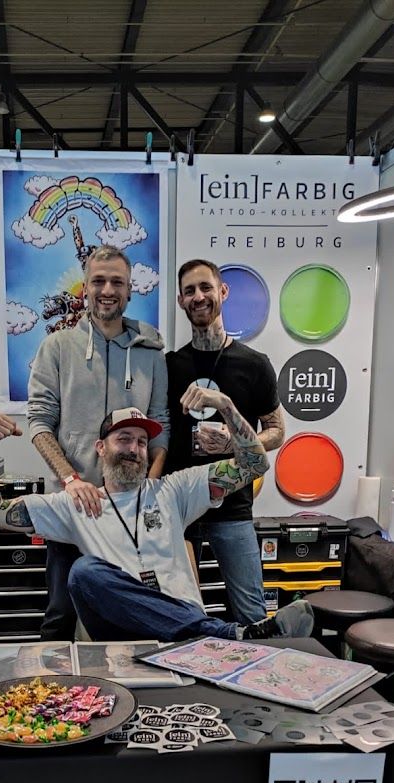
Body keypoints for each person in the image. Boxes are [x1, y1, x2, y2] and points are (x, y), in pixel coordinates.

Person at [0, 401, 312, 644]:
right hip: (122, 629)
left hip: (183, 622)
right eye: (124, 439)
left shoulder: (175, 489)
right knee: (84, 572)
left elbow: (255, 466)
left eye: (142, 441)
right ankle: (227, 635)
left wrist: (225, 405)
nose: (134, 448)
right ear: (101, 448)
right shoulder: (78, 503)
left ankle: (213, 634)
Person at [26, 244, 169, 640]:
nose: (108, 290)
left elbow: (161, 423)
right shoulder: (56, 347)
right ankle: (52, 698)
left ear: (130, 290)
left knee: (133, 616)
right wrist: (71, 480)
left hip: (131, 511)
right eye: (99, 281)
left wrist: (152, 487)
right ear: (85, 288)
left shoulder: (151, 353)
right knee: (59, 615)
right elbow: (39, 423)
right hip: (74, 507)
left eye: (117, 282)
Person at [167, 259, 286, 625]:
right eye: (190, 291)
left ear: (223, 291)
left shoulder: (254, 364)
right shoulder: (169, 365)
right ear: (180, 300)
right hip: (181, 508)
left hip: (232, 505)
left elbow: (277, 431)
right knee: (183, 614)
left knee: (252, 613)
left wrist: (234, 442)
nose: (199, 297)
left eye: (206, 287)